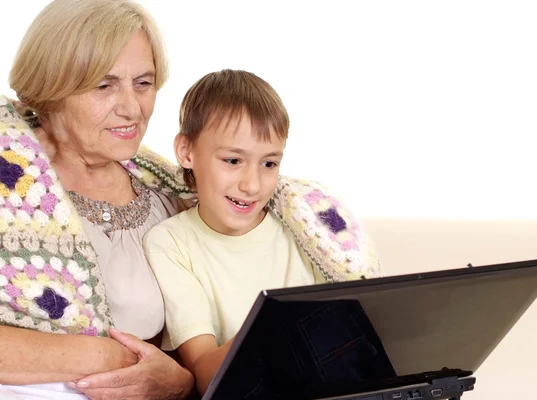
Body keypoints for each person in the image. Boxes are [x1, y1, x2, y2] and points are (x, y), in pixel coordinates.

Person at [0, 0, 198, 399]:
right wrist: (105, 357)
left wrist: (180, 382)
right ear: (51, 88)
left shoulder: (171, 196)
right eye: (104, 85)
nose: (132, 108)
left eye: (143, 83)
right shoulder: (11, 176)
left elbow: (195, 336)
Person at [143, 69, 383, 396]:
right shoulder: (171, 242)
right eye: (232, 160)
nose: (252, 185)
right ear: (187, 152)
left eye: (269, 164)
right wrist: (274, 331)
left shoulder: (302, 227)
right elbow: (203, 373)